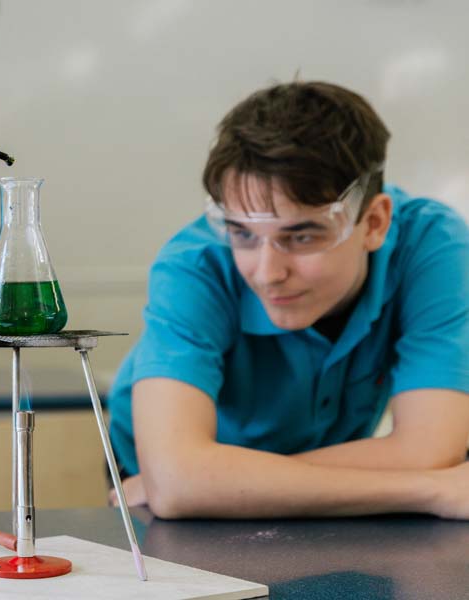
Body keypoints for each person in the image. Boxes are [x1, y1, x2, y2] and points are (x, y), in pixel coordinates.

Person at [107, 81, 469, 519]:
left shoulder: (431, 245)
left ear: (374, 223)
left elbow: (432, 448)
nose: (267, 272)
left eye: (301, 235)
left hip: (229, 476)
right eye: (242, 233)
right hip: (143, 480)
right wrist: (429, 490)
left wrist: (207, 480)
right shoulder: (194, 266)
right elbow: (176, 484)